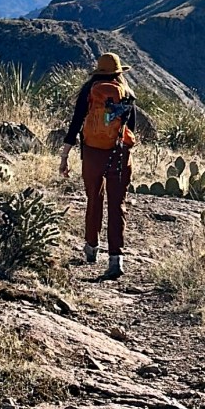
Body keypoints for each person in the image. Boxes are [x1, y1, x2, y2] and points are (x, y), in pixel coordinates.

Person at [59, 52, 138, 279]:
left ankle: (91, 247)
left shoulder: (88, 91)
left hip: (92, 152)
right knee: (117, 204)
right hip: (119, 153)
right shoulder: (127, 94)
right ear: (119, 72)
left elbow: (76, 123)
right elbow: (131, 128)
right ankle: (116, 258)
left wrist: (65, 156)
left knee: (94, 198)